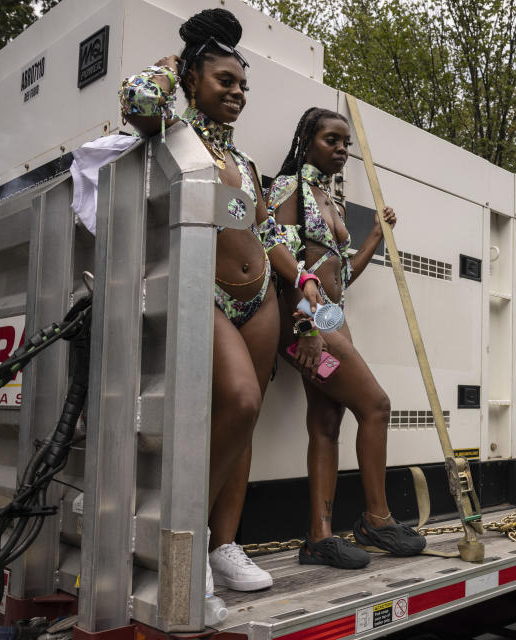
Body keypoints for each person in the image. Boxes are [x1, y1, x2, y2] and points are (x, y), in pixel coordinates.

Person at [118, 8, 310, 593]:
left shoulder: (245, 163)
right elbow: (138, 103)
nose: (237, 93)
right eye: (225, 81)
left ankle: (225, 545)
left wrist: (302, 283)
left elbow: (269, 234)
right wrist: (175, 65)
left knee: (242, 426)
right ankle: (188, 540)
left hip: (262, 304)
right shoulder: (174, 135)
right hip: (207, 295)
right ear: (195, 81)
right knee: (243, 402)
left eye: (243, 86)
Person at [264, 107, 427, 569]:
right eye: (332, 140)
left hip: (330, 319)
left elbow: (342, 277)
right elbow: (281, 261)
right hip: (305, 321)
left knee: (327, 419)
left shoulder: (330, 200)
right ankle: (377, 518)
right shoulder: (289, 188)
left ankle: (319, 538)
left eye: (346, 144)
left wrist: (375, 236)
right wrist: (306, 328)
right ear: (307, 142)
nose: (341, 150)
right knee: (375, 405)